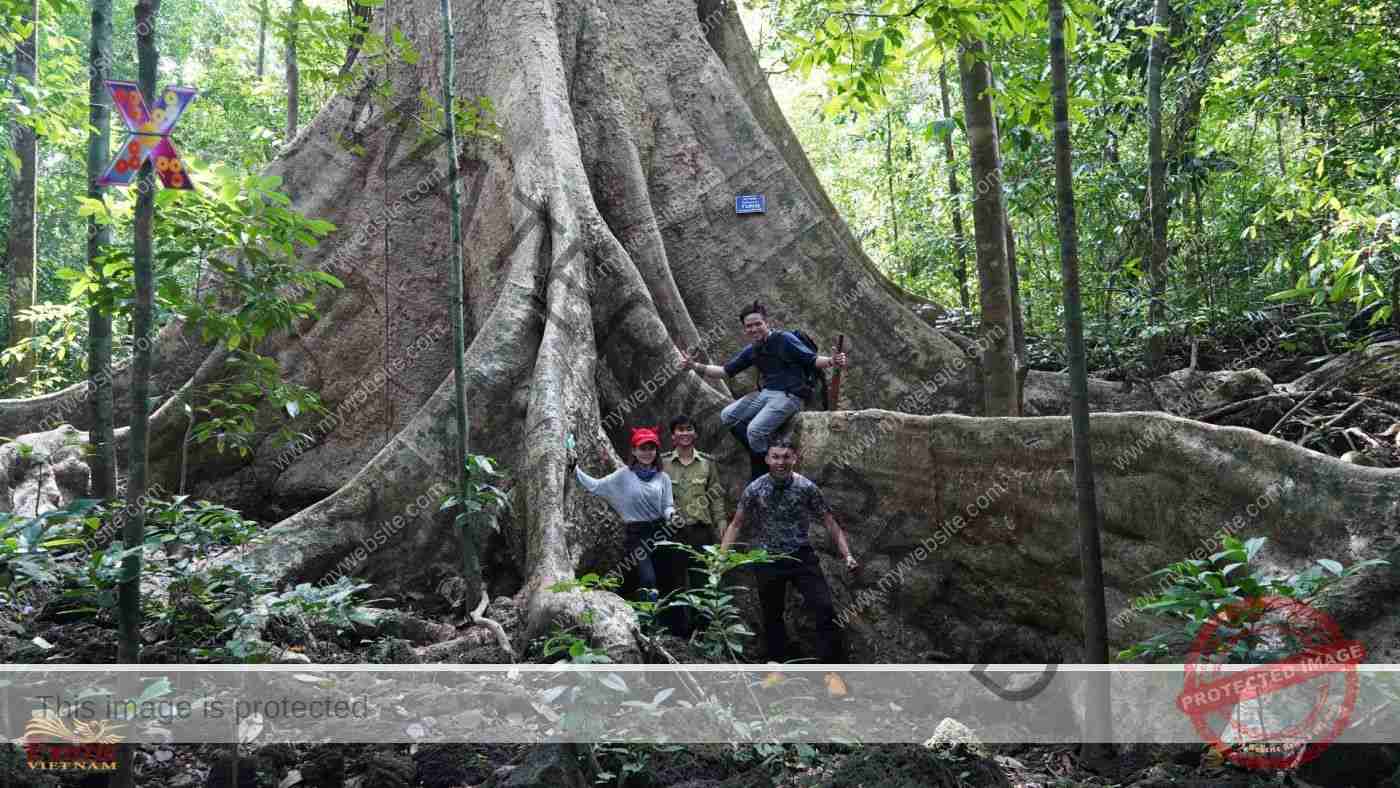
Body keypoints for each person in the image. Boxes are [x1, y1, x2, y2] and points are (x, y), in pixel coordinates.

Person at [720, 438, 859, 697]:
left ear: (794, 458)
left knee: (824, 608)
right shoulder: (755, 489)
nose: (781, 462)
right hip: (767, 558)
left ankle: (832, 673)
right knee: (772, 614)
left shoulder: (806, 487)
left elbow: (829, 522)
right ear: (767, 459)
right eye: (775, 457)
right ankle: (776, 668)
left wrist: (847, 554)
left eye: (786, 457)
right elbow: (737, 524)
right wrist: (720, 559)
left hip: (800, 556)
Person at [678, 301, 848, 480]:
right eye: (749, 326)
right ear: (744, 330)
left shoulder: (784, 339)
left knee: (754, 430)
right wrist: (693, 365)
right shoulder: (753, 350)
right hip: (766, 394)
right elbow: (723, 372)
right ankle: (761, 454)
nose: (754, 329)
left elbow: (812, 360)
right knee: (727, 416)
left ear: (767, 323)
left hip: (789, 395)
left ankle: (769, 470)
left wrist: (831, 361)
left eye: (758, 324)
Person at [572, 427, 687, 636]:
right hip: (637, 535)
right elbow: (596, 486)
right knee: (648, 580)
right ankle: (649, 629)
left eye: (651, 448)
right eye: (642, 448)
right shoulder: (624, 475)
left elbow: (667, 505)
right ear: (634, 451)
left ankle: (674, 631)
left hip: (661, 532)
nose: (647, 452)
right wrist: (574, 469)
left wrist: (672, 516)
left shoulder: (663, 478)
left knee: (669, 579)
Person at [661, 414, 729, 636]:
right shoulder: (663, 463)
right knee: (674, 582)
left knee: (702, 581)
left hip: (701, 531)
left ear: (695, 434)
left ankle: (703, 630)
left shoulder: (707, 463)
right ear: (673, 436)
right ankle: (676, 632)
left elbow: (716, 495)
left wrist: (721, 523)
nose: (684, 433)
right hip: (673, 532)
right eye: (679, 430)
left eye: (689, 429)